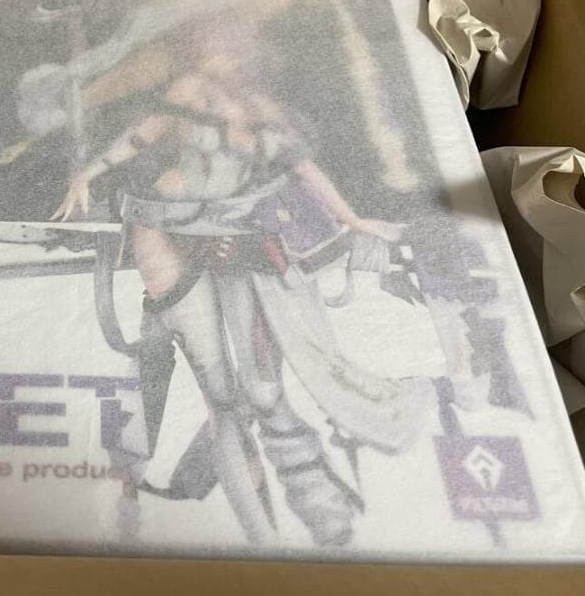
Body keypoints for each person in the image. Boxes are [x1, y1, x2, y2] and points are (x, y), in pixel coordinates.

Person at [52, 27, 431, 546]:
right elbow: (140, 135)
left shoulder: (261, 107)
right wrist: (87, 175)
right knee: (220, 395)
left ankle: (319, 510)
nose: (220, 53)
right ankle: (258, 532)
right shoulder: (189, 90)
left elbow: (304, 169)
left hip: (242, 242)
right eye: (212, 44)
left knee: (263, 392)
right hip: (167, 235)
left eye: (229, 46)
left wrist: (352, 219)